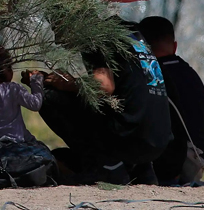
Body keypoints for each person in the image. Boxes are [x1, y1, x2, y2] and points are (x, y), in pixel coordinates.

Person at [39, 20, 172, 185]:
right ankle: (140, 170)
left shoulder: (94, 35)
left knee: (48, 97)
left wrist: (64, 83)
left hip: (131, 138)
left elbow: (103, 86)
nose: (57, 40)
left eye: (57, 29)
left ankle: (104, 167)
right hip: (158, 140)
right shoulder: (131, 30)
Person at [139, 16, 204, 184]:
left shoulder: (151, 75)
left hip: (175, 162)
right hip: (197, 157)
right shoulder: (189, 73)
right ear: (175, 46)